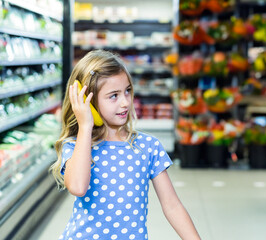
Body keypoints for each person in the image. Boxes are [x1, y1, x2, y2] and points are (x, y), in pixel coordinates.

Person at [50, 50, 201, 240]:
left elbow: (171, 205)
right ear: (86, 100)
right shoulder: (76, 145)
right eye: (113, 95)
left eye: (127, 91)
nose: (125, 102)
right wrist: (85, 125)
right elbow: (78, 187)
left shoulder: (147, 146)